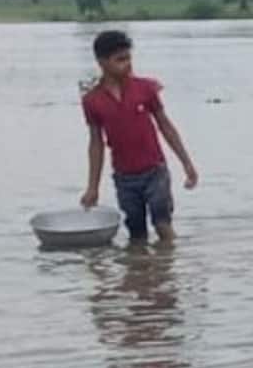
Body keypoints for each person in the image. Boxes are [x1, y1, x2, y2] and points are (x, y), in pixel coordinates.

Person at [80, 31, 199, 244]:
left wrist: (187, 163)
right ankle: (139, 274)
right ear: (102, 62)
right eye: (120, 60)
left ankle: (167, 270)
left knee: (162, 223)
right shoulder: (92, 101)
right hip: (124, 178)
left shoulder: (145, 89)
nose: (127, 65)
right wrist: (93, 187)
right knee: (136, 234)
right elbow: (96, 144)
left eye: (128, 58)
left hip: (155, 171)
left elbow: (165, 125)